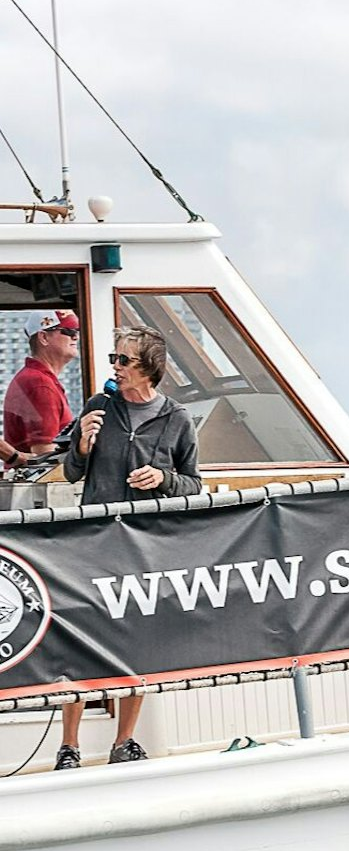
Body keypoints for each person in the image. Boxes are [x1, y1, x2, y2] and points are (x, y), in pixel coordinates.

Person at [58, 326, 201, 769]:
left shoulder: (177, 418)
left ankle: (124, 741)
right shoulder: (100, 406)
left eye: (124, 361)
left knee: (138, 638)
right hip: (94, 542)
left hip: (145, 547)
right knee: (80, 640)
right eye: (114, 359)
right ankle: (69, 746)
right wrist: (82, 444)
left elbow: (195, 485)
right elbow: (70, 473)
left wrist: (163, 479)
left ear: (149, 369)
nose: (115, 368)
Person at [2, 309, 78, 468]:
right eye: (68, 331)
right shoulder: (40, 384)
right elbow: (46, 454)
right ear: (43, 337)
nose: (75, 336)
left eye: (76, 331)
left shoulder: (34, 378)